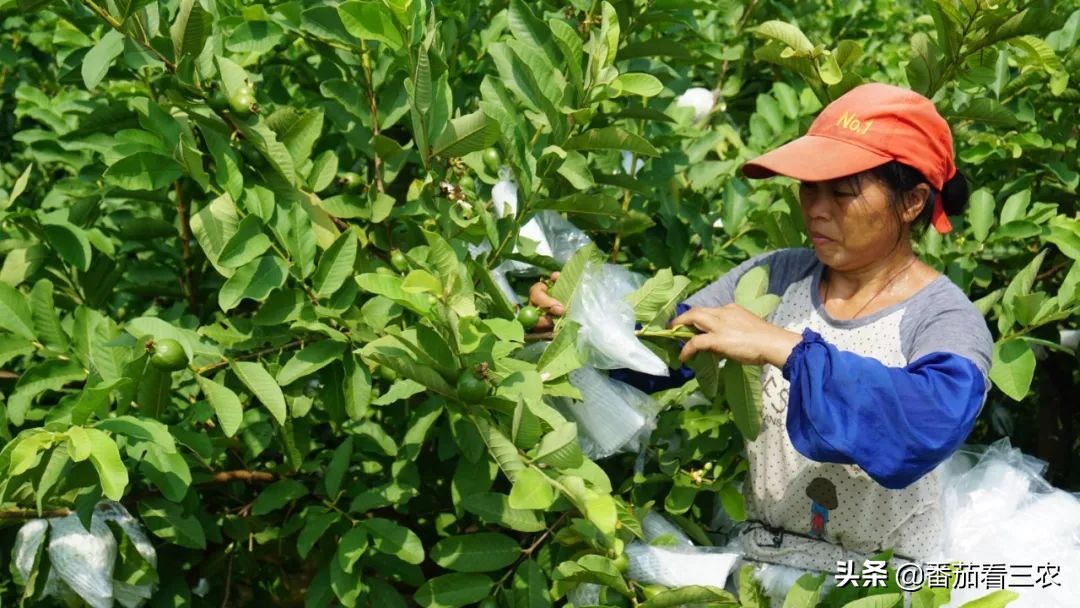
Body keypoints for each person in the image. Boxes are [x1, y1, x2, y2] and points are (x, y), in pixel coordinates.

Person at [529, 83, 994, 586]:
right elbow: (669, 346)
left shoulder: (942, 317)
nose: (816, 209)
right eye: (810, 188)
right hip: (764, 568)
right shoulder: (779, 276)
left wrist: (787, 348)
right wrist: (586, 327)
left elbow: (927, 422)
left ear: (912, 203)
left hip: (874, 583)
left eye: (842, 192)